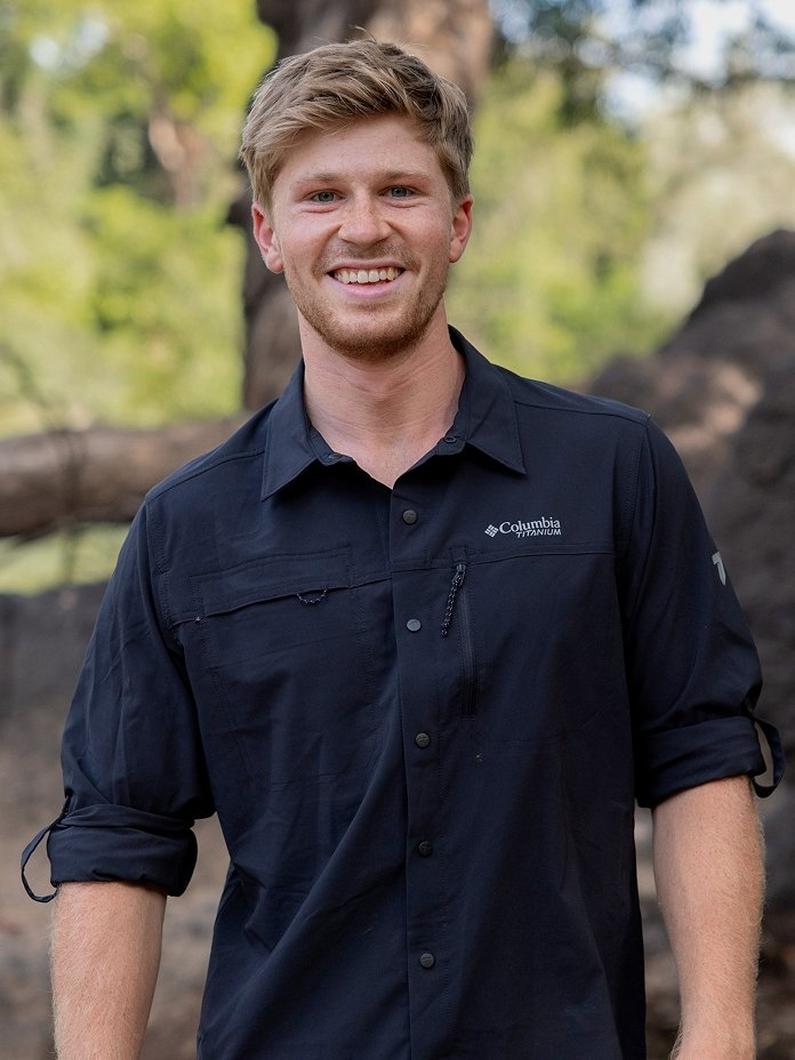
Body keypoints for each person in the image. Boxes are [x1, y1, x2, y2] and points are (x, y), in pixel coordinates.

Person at [22, 38, 784, 1060]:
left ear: (457, 223)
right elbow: (117, 837)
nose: (365, 227)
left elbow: (702, 753)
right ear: (268, 233)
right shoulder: (184, 529)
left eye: (400, 190)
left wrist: (722, 1036)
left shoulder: (614, 471)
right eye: (322, 196)